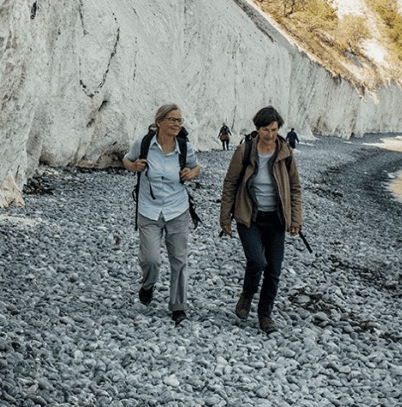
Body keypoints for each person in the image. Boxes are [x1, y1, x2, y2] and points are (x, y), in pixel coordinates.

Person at [219, 106, 302, 334]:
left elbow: (295, 187)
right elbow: (230, 184)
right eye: (265, 130)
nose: (270, 135)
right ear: (258, 129)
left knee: (274, 270)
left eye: (274, 129)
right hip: (250, 217)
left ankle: (265, 315)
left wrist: (296, 218)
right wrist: (225, 216)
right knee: (258, 261)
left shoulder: (285, 153)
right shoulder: (245, 151)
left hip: (276, 219)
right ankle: (246, 296)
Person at [123, 104, 202, 325]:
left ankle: (178, 306)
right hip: (148, 209)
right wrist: (134, 166)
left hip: (178, 209)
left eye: (179, 120)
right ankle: (148, 284)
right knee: (151, 259)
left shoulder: (185, 147)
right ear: (160, 122)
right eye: (172, 120)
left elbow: (197, 167)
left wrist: (190, 173)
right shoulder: (144, 143)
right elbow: (126, 160)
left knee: (179, 260)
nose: (177, 124)